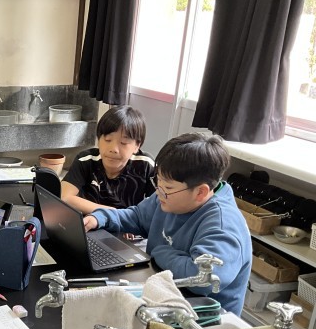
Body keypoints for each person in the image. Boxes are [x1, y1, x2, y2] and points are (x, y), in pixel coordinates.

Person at [84, 132, 252, 315]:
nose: (159, 192)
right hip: (163, 292)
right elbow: (137, 216)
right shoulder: (168, 197)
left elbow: (202, 280)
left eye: (168, 187)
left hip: (202, 316)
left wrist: (159, 251)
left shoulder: (223, 224)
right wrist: (100, 218)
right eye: (158, 181)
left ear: (200, 192)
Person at [61, 105, 155, 213]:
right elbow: (65, 197)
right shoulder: (86, 160)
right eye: (108, 140)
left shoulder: (145, 165)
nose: (113, 149)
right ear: (98, 140)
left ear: (137, 146)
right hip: (90, 221)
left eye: (123, 143)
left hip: (128, 223)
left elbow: (159, 205)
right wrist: (111, 213)